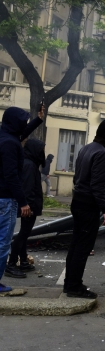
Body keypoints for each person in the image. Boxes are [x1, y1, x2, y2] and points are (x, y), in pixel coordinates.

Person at [63, 119, 105, 299]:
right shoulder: (102, 154)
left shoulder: (85, 148)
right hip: (88, 205)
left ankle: (69, 283)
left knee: (76, 244)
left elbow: (77, 177)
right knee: (84, 246)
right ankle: (74, 285)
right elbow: (97, 186)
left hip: (77, 201)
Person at [0, 106, 45, 293]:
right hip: (6, 199)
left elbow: (21, 132)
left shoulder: (5, 136)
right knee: (3, 244)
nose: (24, 126)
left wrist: (38, 119)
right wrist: (24, 202)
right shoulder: (10, 144)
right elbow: (12, 177)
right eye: (23, 122)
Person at [6, 139, 46, 278]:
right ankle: (11, 264)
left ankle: (23, 261)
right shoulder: (29, 165)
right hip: (30, 206)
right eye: (41, 150)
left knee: (24, 234)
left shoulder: (28, 163)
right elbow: (28, 188)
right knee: (23, 235)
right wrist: (28, 206)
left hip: (29, 205)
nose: (42, 153)